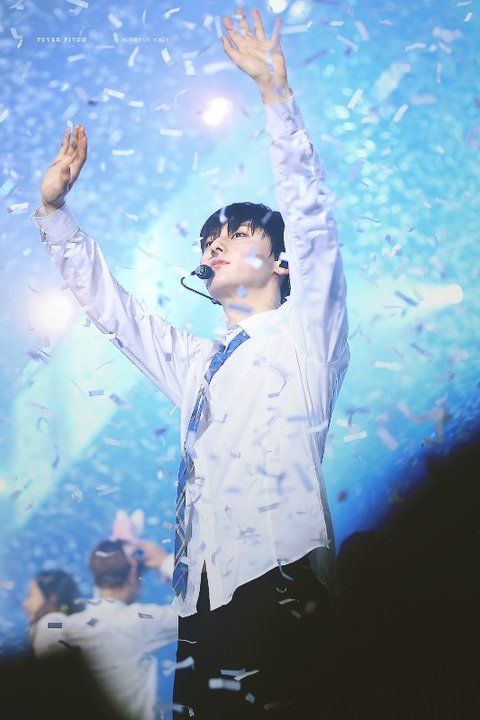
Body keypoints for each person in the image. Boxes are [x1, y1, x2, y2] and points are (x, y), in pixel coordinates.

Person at [32, 9, 349, 718]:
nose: (216, 245)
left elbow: (314, 221)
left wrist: (275, 96)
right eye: (209, 239)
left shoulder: (307, 332)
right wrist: (54, 215)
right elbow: (115, 313)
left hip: (277, 574)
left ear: (282, 262)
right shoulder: (198, 363)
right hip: (199, 597)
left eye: (237, 234)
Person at [32, 538, 178, 720]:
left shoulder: (57, 628)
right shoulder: (137, 622)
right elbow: (197, 610)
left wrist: (106, 563)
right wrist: (165, 562)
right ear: (133, 573)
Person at [23, 569, 85, 651]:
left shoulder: (49, 624)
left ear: (52, 597)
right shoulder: (61, 624)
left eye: (30, 595)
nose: (25, 604)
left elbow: (59, 625)